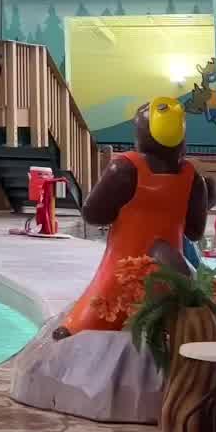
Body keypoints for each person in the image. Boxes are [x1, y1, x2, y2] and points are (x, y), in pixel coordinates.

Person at [53, 95, 207, 337]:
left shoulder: (125, 168)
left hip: (121, 272)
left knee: (85, 324)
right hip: (170, 274)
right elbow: (195, 231)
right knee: (178, 324)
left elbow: (93, 214)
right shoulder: (192, 178)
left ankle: (74, 330)